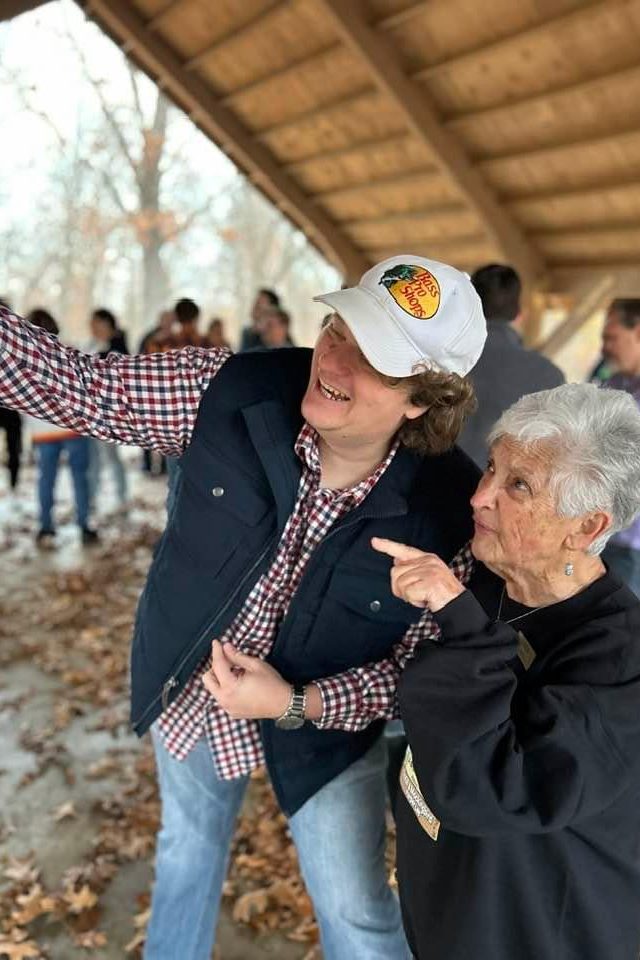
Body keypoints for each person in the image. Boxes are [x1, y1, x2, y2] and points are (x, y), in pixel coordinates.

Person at [0, 255, 486, 960]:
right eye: (338, 327)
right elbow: (75, 386)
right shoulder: (225, 389)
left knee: (355, 908)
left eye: (373, 357)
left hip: (322, 725)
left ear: (423, 401)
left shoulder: (449, 517)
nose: (334, 360)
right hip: (194, 686)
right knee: (188, 852)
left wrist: (294, 703)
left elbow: (411, 677)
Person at [373, 383, 640, 960]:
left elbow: (501, 786)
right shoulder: (491, 580)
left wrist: (460, 622)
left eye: (518, 485)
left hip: (538, 933)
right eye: (490, 468)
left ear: (588, 528)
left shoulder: (623, 660)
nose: (480, 496)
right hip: (448, 912)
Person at [458, 263, 564, 468]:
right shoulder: (548, 376)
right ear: (518, 311)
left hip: (419, 489)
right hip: (500, 493)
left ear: (469, 306)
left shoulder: (437, 361)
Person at [22, 309, 98, 546]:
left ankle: (46, 527)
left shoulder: (23, 358)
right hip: (73, 426)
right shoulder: (66, 351)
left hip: (43, 430)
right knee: (79, 478)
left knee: (47, 479)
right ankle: (85, 526)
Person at [599, 298, 640, 596]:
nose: (606, 347)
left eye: (611, 338)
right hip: (600, 533)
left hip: (633, 545)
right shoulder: (614, 384)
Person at [88, 308, 130, 511]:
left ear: (106, 324)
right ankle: (92, 498)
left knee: (109, 457)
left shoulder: (117, 347)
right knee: (95, 459)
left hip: (107, 413)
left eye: (96, 324)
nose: (92, 328)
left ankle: (120, 497)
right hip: (91, 411)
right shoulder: (92, 345)